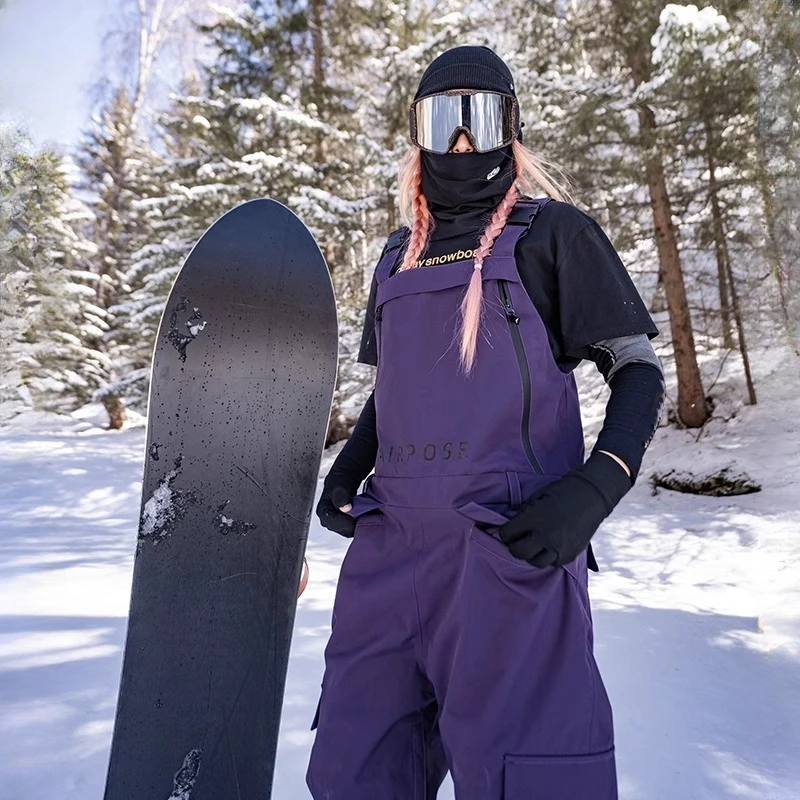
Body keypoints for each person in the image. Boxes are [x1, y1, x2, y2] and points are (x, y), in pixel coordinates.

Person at [306, 45, 665, 800]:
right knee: (355, 770)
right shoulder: (395, 258)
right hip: (391, 555)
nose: (462, 142)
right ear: (417, 135)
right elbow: (396, 386)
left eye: (481, 117)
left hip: (509, 549)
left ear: (513, 129)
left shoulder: (552, 235)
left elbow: (635, 364)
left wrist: (597, 488)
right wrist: (348, 469)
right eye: (443, 120)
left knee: (525, 778)